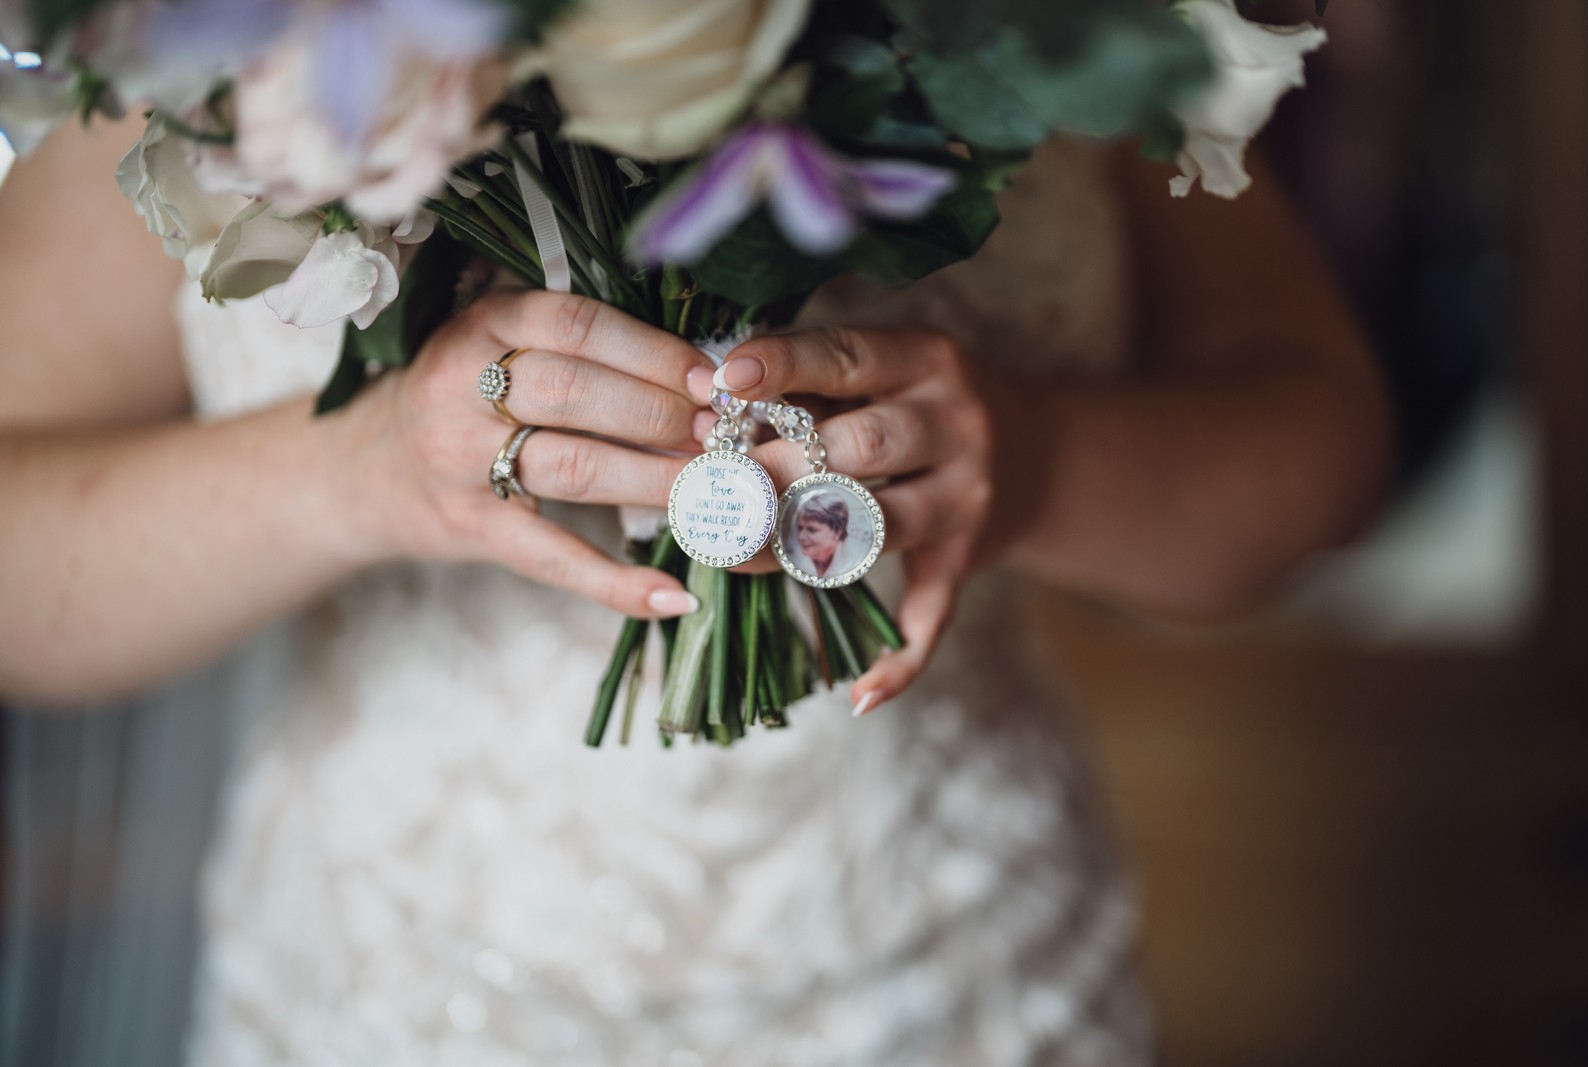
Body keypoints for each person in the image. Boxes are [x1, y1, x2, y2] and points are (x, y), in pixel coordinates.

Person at [0, 111, 1390, 1067]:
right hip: (407, 995)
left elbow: (1319, 457)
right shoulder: (222, 41)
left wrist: (1031, 459)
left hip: (953, 982)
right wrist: (356, 471)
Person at [794, 494, 850, 578]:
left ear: (837, 532)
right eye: (800, 528)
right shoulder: (795, 560)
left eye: (812, 530)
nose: (801, 536)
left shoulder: (849, 563)